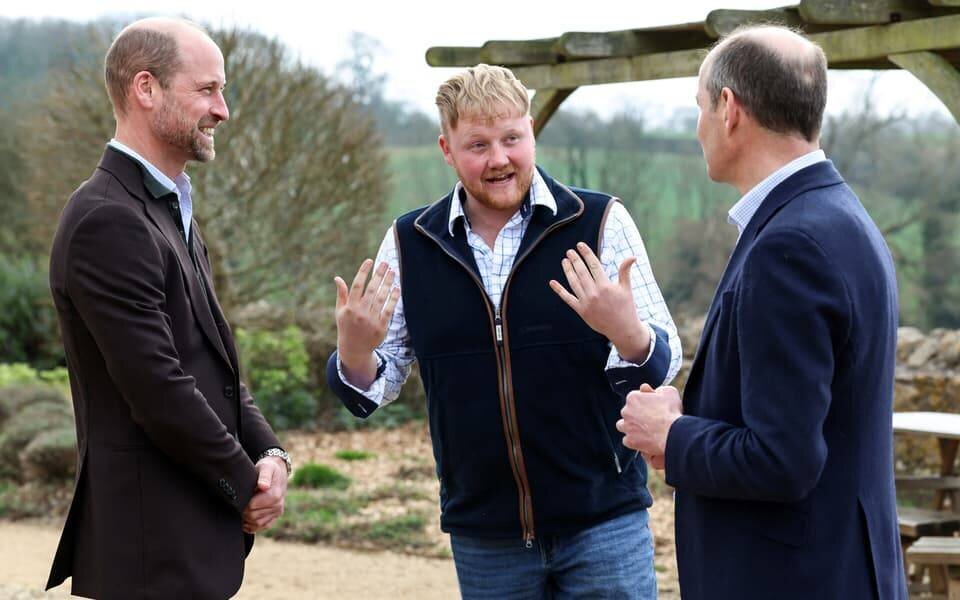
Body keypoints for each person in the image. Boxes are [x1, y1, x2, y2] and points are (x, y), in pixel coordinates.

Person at [327, 64, 680, 598]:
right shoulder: (409, 243)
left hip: (602, 521)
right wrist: (353, 354)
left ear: (531, 131)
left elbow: (664, 358)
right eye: (477, 145)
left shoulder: (600, 221)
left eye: (511, 138)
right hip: (484, 534)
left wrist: (627, 332)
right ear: (446, 149)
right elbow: (381, 379)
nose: (498, 159)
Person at [617, 25, 907, 599]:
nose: (698, 126)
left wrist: (672, 435)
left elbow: (783, 460)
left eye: (700, 106)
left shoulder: (789, 246)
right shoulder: (839, 216)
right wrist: (694, 410)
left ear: (729, 108)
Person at [45, 18, 291, 599]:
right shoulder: (108, 219)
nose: (223, 110)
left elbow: (213, 360)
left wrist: (271, 453)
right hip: (148, 552)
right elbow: (159, 388)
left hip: (184, 546)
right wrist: (244, 484)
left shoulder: (168, 208)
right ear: (145, 88)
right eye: (207, 90)